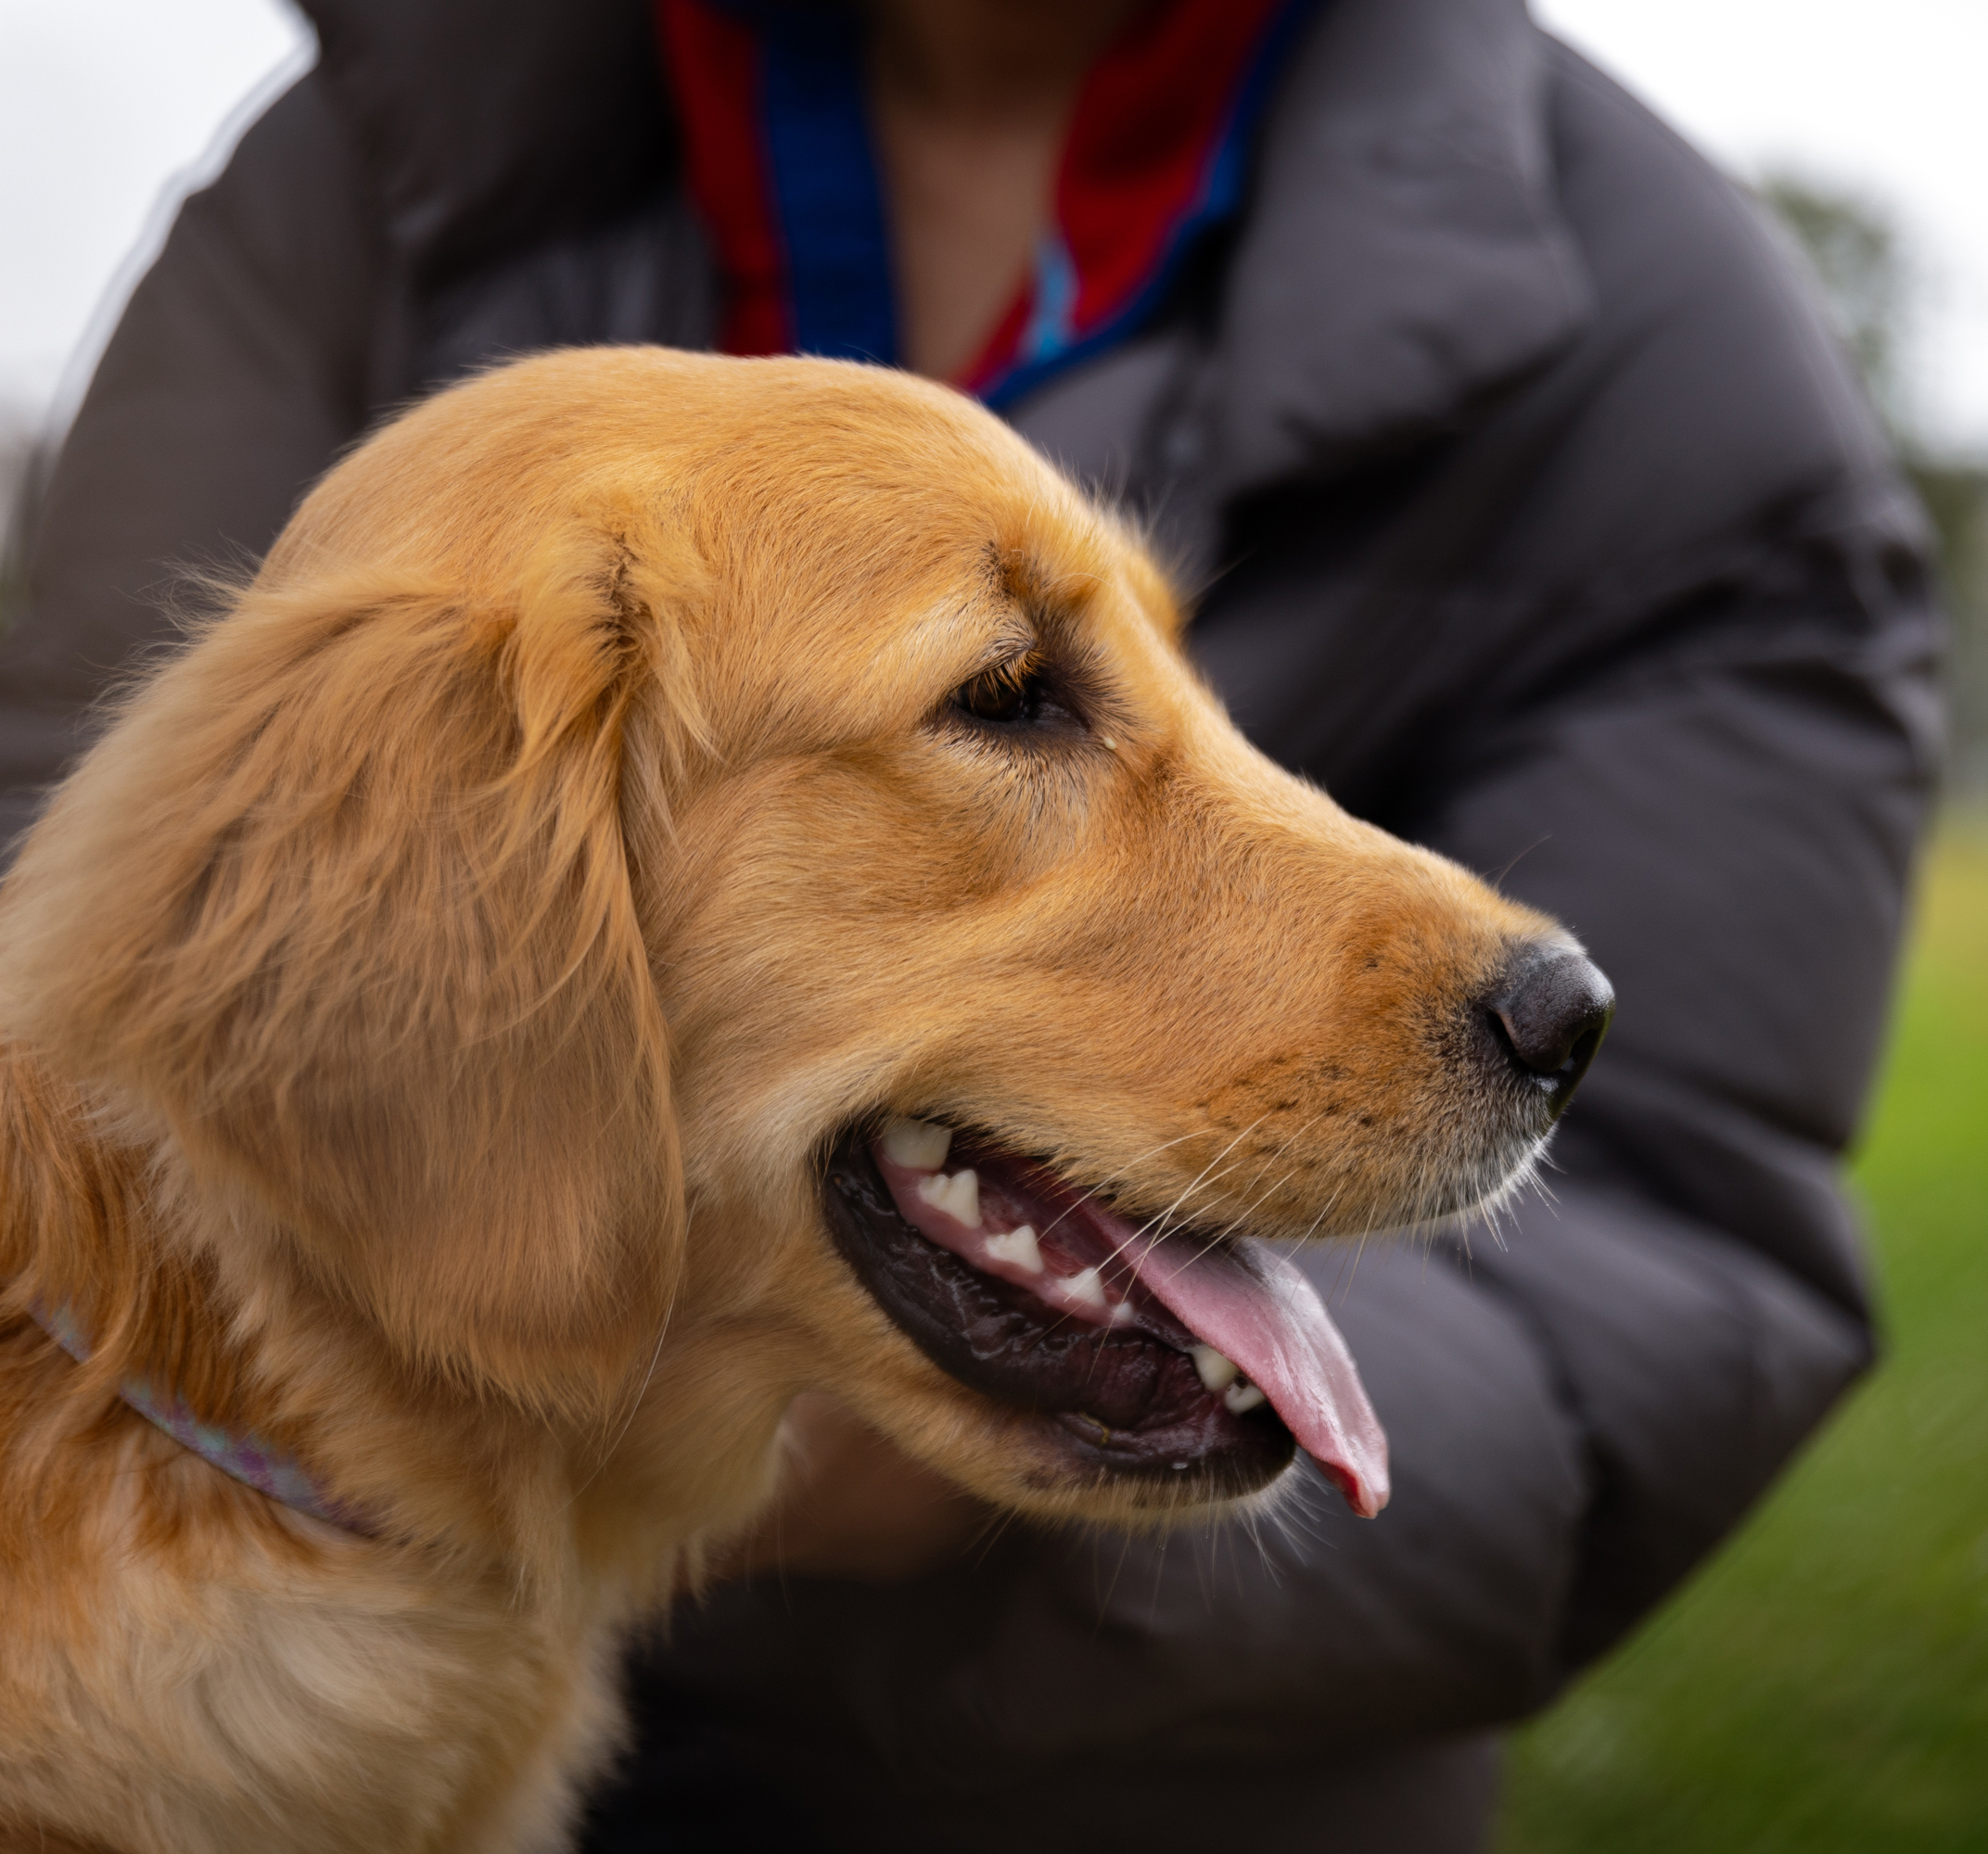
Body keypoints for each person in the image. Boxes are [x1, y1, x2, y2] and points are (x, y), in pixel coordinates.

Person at [0, 0, 1941, 1848]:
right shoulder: (371, 143)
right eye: (1014, 698)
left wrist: (931, 1496)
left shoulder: (1673, 328)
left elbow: (1678, 1233)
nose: (1470, 954)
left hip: (1111, 1798)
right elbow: (101, 860)